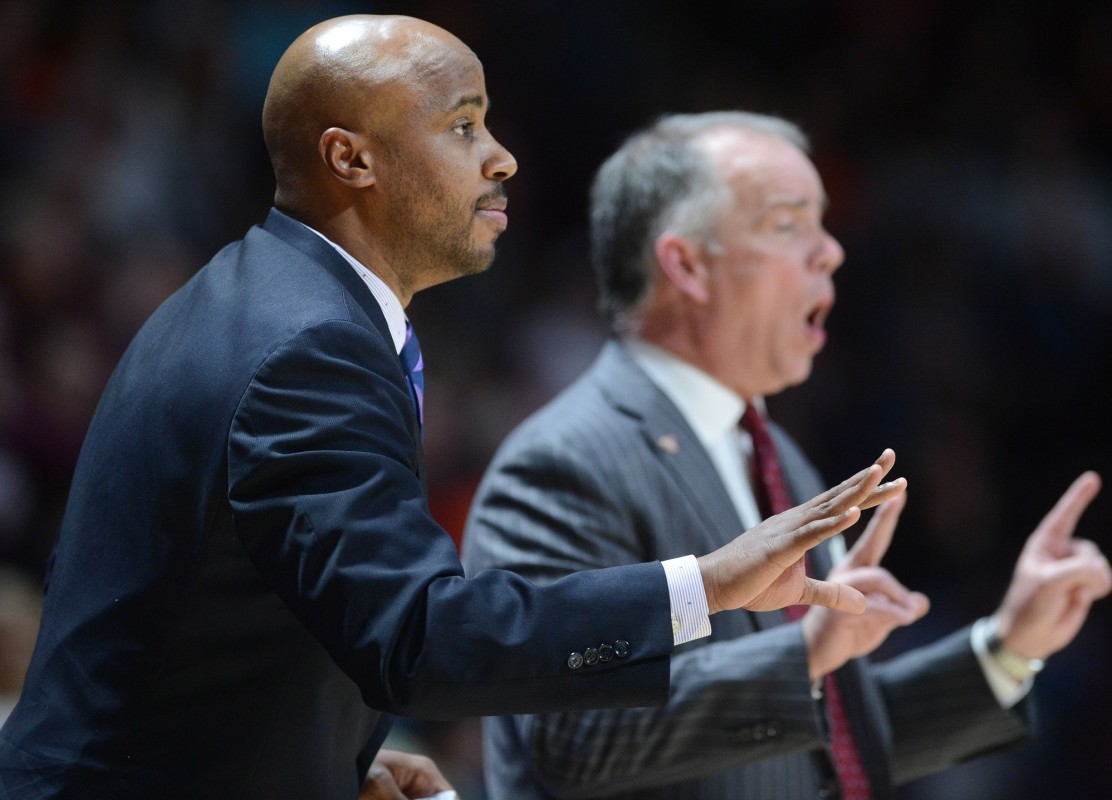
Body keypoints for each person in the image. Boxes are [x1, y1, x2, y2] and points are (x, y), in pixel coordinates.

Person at [0, 18, 907, 800]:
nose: (501, 155)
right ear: (350, 158)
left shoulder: (261, 298)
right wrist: (705, 587)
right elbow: (420, 637)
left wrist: (323, 764)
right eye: (463, 125)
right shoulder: (307, 348)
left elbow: (229, 606)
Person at [462, 112, 1112, 799]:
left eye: (824, 224)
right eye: (787, 224)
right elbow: (570, 739)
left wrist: (1008, 648)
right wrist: (802, 656)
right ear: (686, 264)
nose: (829, 251)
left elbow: (821, 745)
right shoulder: (564, 464)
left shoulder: (780, 461)